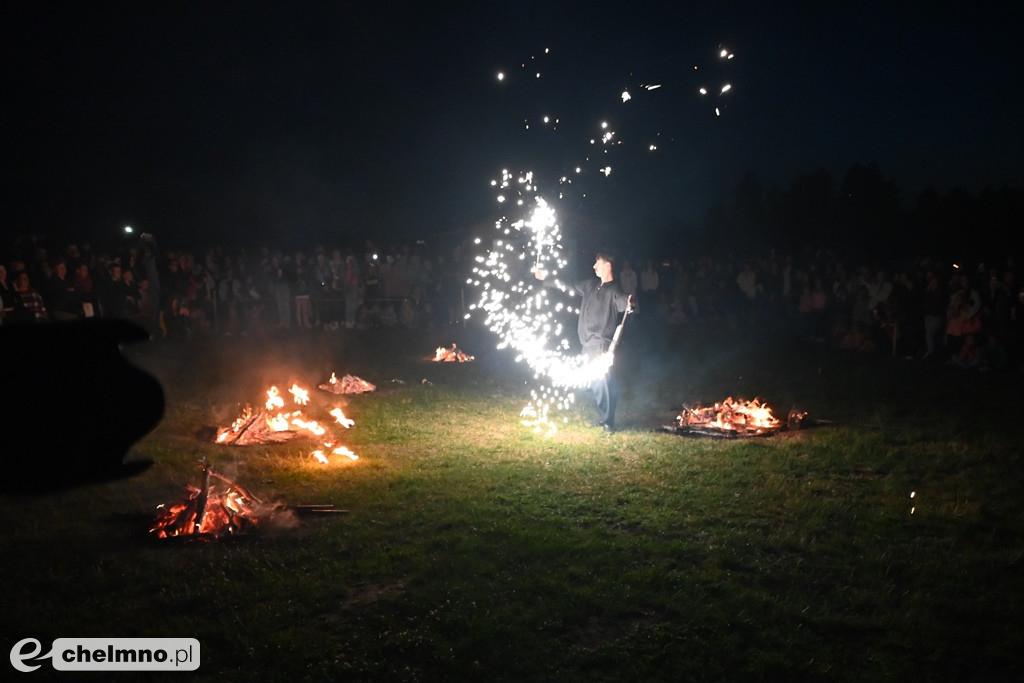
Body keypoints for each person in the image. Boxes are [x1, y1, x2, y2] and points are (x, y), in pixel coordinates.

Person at [536, 251, 635, 433]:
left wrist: (630, 304)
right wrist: (546, 277)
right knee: (586, 384)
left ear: (608, 266)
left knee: (600, 383)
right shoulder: (591, 285)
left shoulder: (614, 291)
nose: (594, 266)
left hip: (601, 345)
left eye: (598, 263)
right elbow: (568, 284)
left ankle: (608, 423)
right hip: (586, 345)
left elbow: (625, 303)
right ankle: (607, 412)